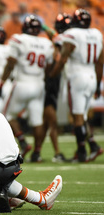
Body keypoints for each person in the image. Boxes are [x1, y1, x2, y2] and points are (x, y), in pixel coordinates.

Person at [50, 9, 103, 162]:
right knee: (82, 116)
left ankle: (81, 152)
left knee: (77, 117)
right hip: (92, 75)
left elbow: (63, 58)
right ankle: (92, 146)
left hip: (77, 76)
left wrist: (52, 75)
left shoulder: (72, 34)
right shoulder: (97, 34)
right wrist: (98, 84)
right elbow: (100, 61)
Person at [0, 15, 54, 162]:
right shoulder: (46, 43)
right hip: (39, 84)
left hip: (22, 82)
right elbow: (49, 66)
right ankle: (37, 153)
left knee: (7, 116)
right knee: (37, 120)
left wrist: (1, 82)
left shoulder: (18, 39)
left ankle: (23, 141)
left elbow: (11, 63)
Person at [40, 13, 73, 162]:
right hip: (54, 81)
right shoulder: (67, 38)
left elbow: (52, 34)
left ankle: (36, 151)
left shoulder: (61, 39)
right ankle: (57, 152)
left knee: (47, 122)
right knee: (51, 120)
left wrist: (43, 25)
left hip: (54, 81)